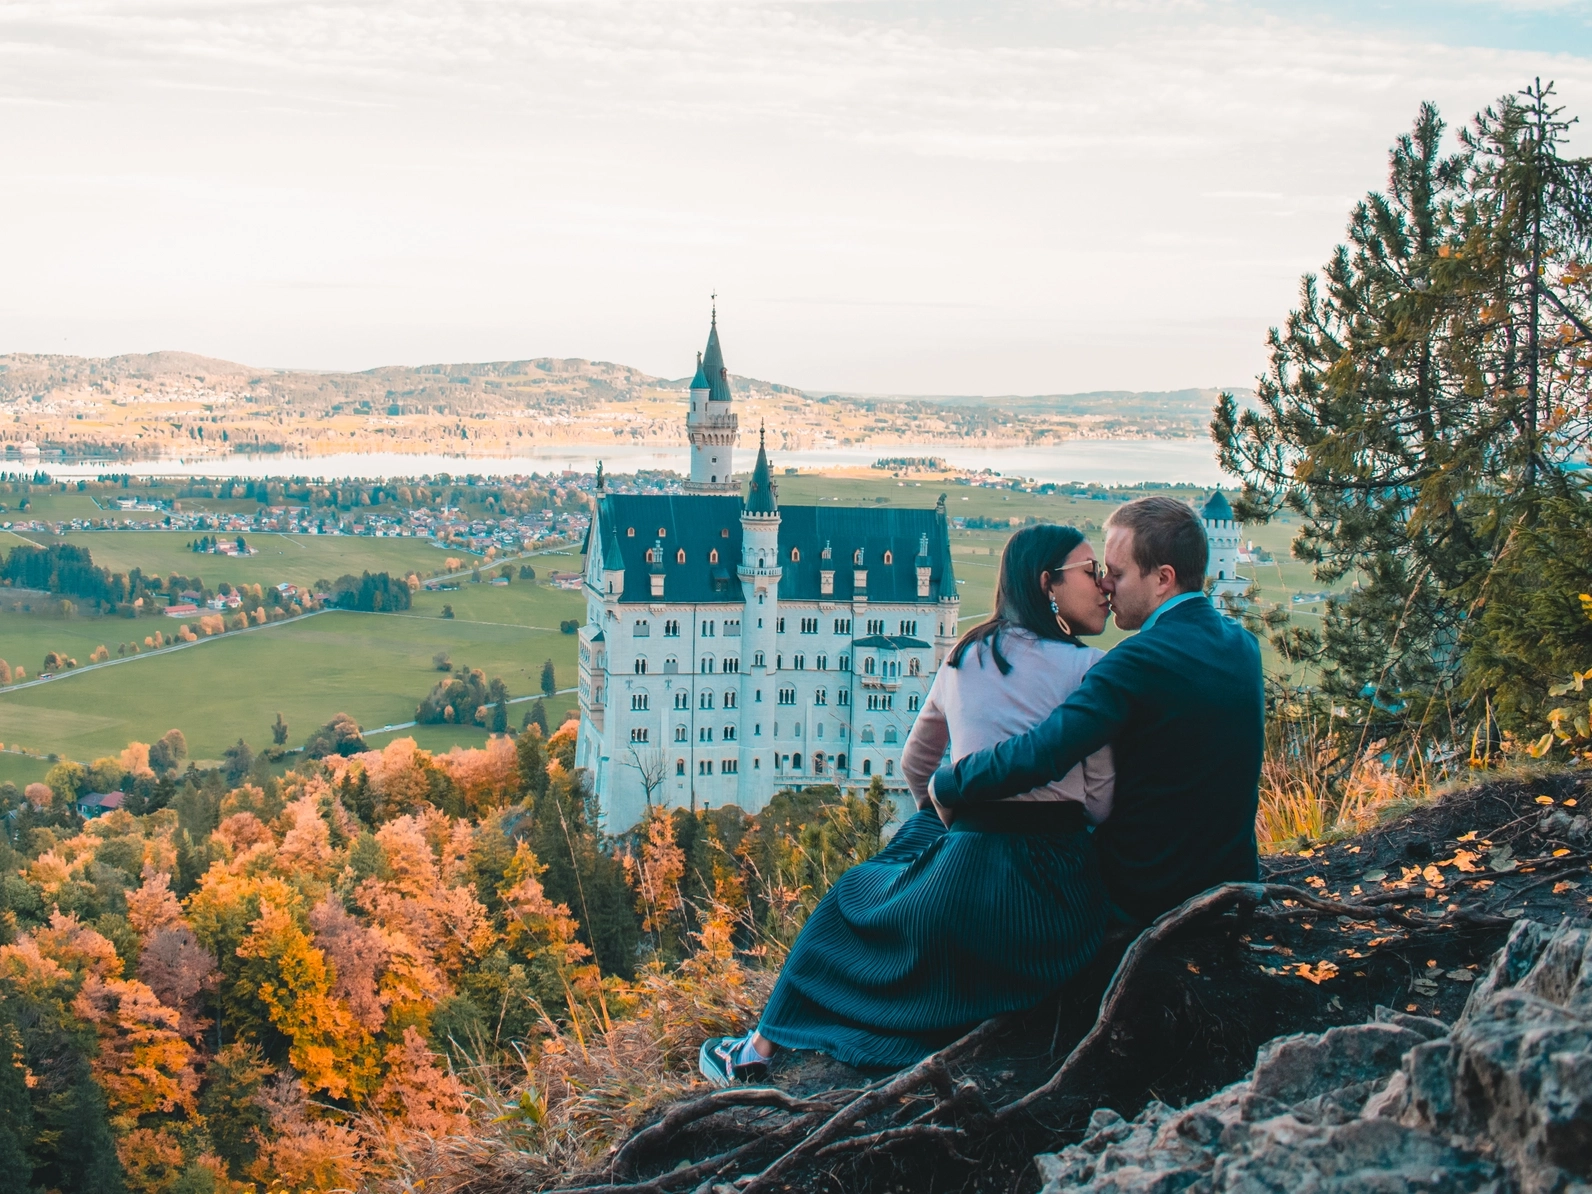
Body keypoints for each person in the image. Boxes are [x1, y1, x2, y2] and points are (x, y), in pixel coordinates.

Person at [700, 524, 1115, 1085]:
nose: (1104, 584)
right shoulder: (1090, 671)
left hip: (967, 880)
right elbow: (1099, 801)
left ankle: (756, 1051)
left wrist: (954, 826)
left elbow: (917, 765)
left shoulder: (966, 656)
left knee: (848, 901)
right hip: (1057, 906)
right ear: (1048, 585)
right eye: (1091, 571)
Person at [929, 495, 1264, 930]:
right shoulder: (1243, 647)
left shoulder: (1137, 662)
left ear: (1163, 579)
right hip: (1230, 881)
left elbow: (1043, 753)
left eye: (1117, 574)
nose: (1105, 585)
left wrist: (953, 780)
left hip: (1148, 893)